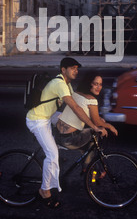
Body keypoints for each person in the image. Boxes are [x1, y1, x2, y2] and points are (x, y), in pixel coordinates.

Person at [26, 58, 107, 209]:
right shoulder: (60, 84)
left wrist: (97, 118)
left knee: (68, 128)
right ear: (63, 70)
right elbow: (75, 107)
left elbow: (78, 102)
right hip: (37, 120)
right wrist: (94, 126)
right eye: (72, 68)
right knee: (52, 155)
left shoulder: (67, 84)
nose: (76, 71)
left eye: (77, 68)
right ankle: (44, 191)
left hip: (48, 116)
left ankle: (74, 163)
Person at [54, 72, 118, 172]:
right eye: (95, 84)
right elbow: (96, 122)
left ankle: (87, 159)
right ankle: (87, 166)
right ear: (89, 83)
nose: (99, 87)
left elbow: (85, 114)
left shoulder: (76, 93)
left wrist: (98, 120)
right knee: (96, 134)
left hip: (58, 135)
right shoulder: (91, 100)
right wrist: (109, 126)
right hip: (69, 140)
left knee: (89, 133)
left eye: (100, 84)